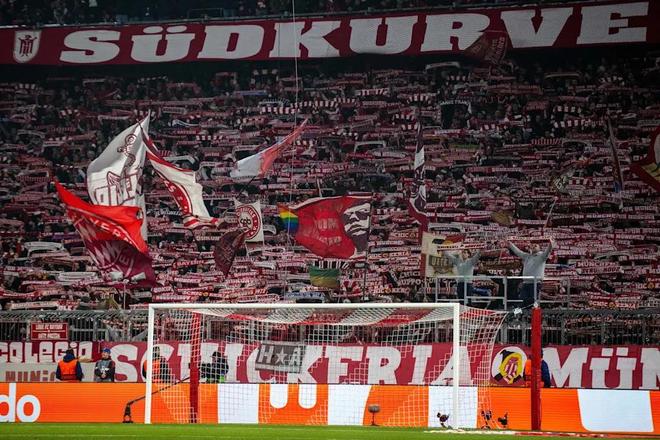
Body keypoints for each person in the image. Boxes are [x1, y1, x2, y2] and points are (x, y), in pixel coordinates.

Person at [507, 239, 556, 307]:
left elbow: (548, 251)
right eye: (532, 245)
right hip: (526, 283)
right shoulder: (527, 256)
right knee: (523, 300)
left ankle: (531, 312)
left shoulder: (542, 256)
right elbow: (518, 252)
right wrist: (510, 244)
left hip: (535, 283)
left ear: (539, 248)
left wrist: (550, 244)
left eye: (535, 246)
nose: (533, 246)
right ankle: (522, 312)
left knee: (532, 301)